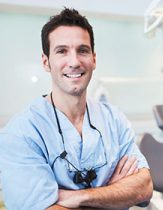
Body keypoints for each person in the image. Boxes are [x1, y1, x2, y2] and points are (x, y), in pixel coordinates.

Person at [0, 8, 153, 210]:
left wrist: (76, 198)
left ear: (93, 59)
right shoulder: (22, 133)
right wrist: (113, 192)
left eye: (82, 50)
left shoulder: (113, 119)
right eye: (62, 51)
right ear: (46, 62)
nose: (74, 62)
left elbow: (144, 187)